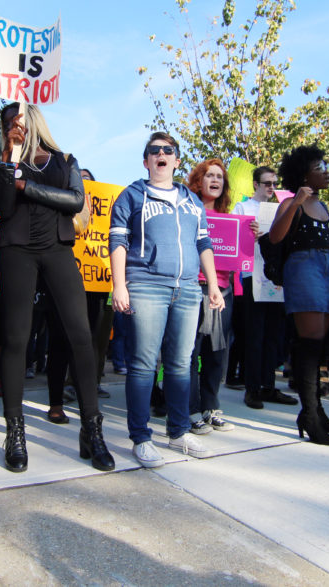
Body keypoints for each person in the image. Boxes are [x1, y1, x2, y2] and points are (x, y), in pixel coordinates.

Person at [0, 104, 113, 473]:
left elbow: (75, 201)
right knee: (16, 338)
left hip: (58, 250)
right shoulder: (1, 164)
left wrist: (27, 185)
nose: (17, 126)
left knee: (80, 335)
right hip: (17, 252)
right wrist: (10, 160)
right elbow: (3, 205)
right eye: (9, 122)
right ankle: (15, 432)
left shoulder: (65, 160)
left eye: (21, 120)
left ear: (35, 122)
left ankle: (92, 429)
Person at [109, 132, 224, 467]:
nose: (161, 154)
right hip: (145, 286)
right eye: (153, 151)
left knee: (180, 364)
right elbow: (117, 241)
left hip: (188, 289)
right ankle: (141, 437)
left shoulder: (192, 200)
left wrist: (213, 285)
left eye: (167, 150)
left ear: (176, 160)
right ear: (146, 161)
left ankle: (178, 431)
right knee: (144, 365)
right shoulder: (131, 196)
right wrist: (120, 285)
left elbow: (204, 244)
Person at [268, 146, 329, 445]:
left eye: (326, 164)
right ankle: (310, 414)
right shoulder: (292, 202)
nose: (327, 169)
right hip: (303, 269)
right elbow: (276, 236)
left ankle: (316, 411)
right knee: (309, 344)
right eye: (319, 165)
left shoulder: (324, 207)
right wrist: (295, 202)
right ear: (303, 173)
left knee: (321, 344)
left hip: (327, 273)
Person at [229, 166, 295, 407]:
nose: (271, 187)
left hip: (276, 279)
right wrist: (250, 235)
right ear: (255, 184)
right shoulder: (242, 208)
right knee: (254, 335)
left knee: (274, 336)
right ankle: (252, 388)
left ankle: (269, 385)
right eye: (267, 183)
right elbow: (233, 241)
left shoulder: (282, 209)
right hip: (252, 276)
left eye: (275, 183)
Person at [186, 159, 236, 433]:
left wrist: (250, 236)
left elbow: (239, 257)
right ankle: (190, 408)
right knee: (190, 351)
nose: (215, 180)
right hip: (193, 288)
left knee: (217, 350)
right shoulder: (188, 211)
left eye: (220, 176)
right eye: (209, 175)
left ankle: (211, 406)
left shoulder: (232, 219)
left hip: (223, 291)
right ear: (199, 181)